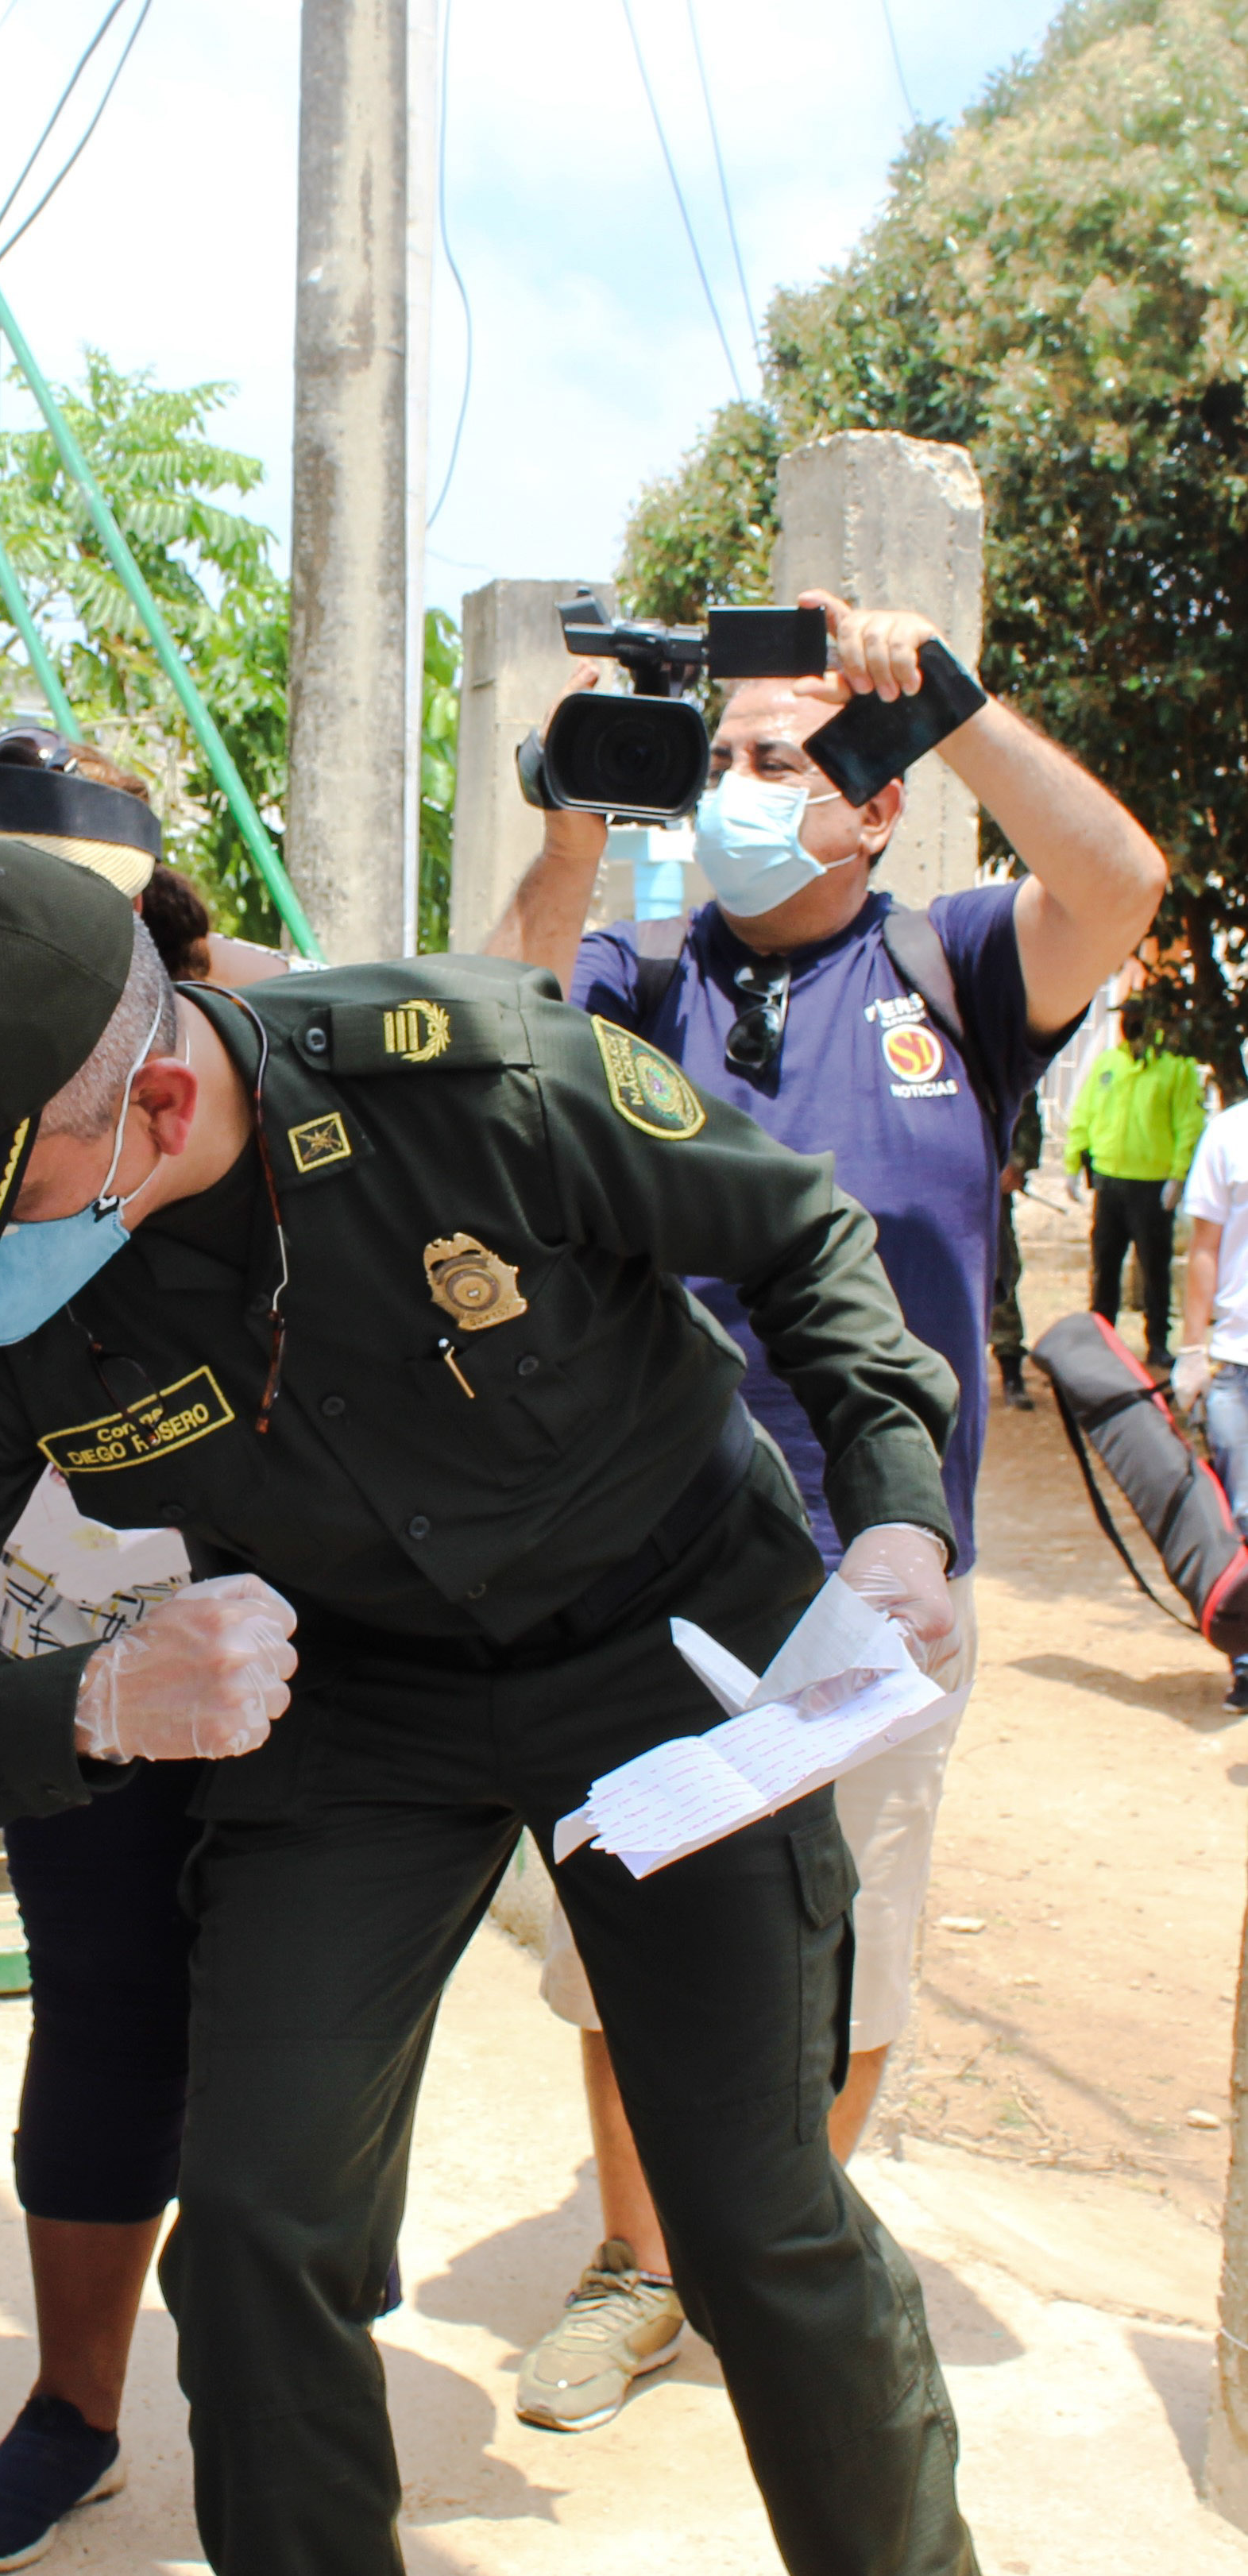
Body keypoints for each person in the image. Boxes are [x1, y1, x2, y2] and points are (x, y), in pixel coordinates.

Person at [0, 833, 986, 2576]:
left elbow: (796, 1235)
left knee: (752, 2224)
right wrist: (95, 1697)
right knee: (255, 2228)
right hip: (358, 1703)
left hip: (673, 1658)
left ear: (160, 1101)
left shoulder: (474, 1081)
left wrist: (888, 1510)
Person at [486, 592, 1165, 2433]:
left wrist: (939, 697)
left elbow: (1113, 882)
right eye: (710, 759)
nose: (728, 788)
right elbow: (490, 1023)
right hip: (625, 1565)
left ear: (866, 803)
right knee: (622, 1922)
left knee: (845, 1933)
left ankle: (773, 2243)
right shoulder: (633, 974)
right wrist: (565, 824)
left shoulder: (952, 970)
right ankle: (635, 2266)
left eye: (773, 755)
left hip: (873, 1571)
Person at [0, 737, 300, 2573]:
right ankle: (74, 2405)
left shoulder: (263, 1050)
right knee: (103, 2011)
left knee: (298, 2035)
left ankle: (289, 2426)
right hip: (73, 1616)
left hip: (301, 1631)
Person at [1067, 993, 1205, 1368]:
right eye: (1126, 1017)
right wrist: (1072, 1160)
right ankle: (1101, 1338)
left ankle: (1157, 1341)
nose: (1129, 1025)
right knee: (1104, 1266)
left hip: (1151, 1185)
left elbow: (1188, 1125)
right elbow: (1085, 1112)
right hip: (1109, 1181)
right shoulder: (1109, 1064)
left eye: (1137, 1017)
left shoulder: (1176, 1069)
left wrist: (1177, 1176)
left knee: (1154, 1268)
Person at [1173, 1100, 1248, 1714]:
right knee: (1244, 1517)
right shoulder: (1229, 1134)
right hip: (1239, 1360)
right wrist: (1193, 1348)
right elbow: (1205, 1246)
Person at [991, 1090, 1045, 1410]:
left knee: (1001, 1276)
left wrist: (1018, 1163)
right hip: (933, 1190)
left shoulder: (997, 1057)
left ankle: (1011, 1373)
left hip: (990, 1192)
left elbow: (1028, 1119)